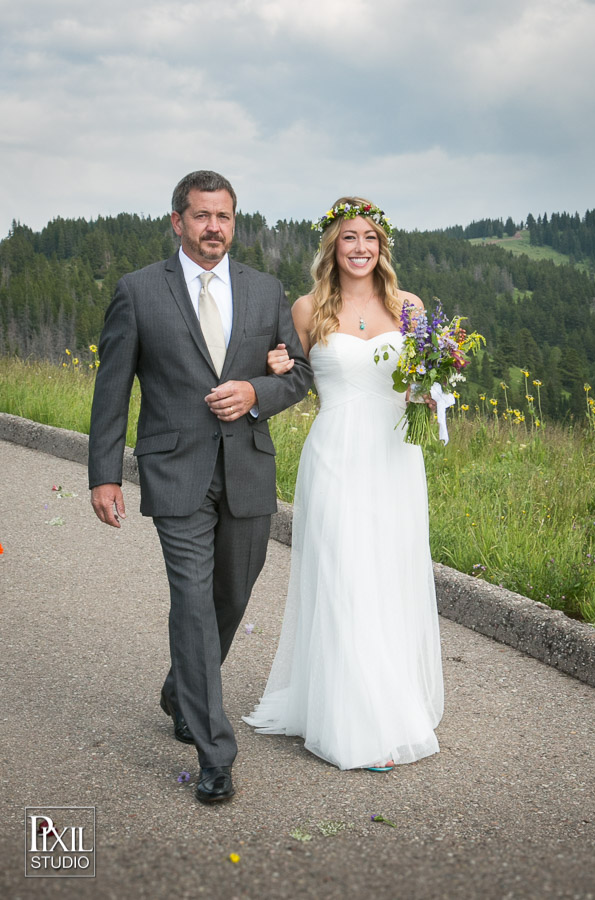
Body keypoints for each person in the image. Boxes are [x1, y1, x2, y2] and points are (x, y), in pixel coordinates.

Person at [88, 170, 312, 803]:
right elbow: (112, 388)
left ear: (234, 221)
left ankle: (182, 684)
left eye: (225, 216)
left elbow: (298, 374)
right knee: (190, 599)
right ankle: (215, 752)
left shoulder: (266, 290)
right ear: (178, 221)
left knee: (232, 595)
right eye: (202, 215)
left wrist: (256, 393)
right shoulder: (138, 292)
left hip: (247, 469)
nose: (214, 227)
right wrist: (104, 472)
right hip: (175, 469)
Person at [244, 197, 444, 771]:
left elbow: (416, 381)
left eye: (370, 239)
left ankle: (390, 700)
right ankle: (354, 723)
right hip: (333, 455)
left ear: (382, 248)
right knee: (343, 574)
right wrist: (279, 370)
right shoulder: (308, 308)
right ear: (332, 245)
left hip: (395, 458)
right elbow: (294, 376)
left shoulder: (408, 307)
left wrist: (433, 390)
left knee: (387, 574)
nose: (360, 248)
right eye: (349, 237)